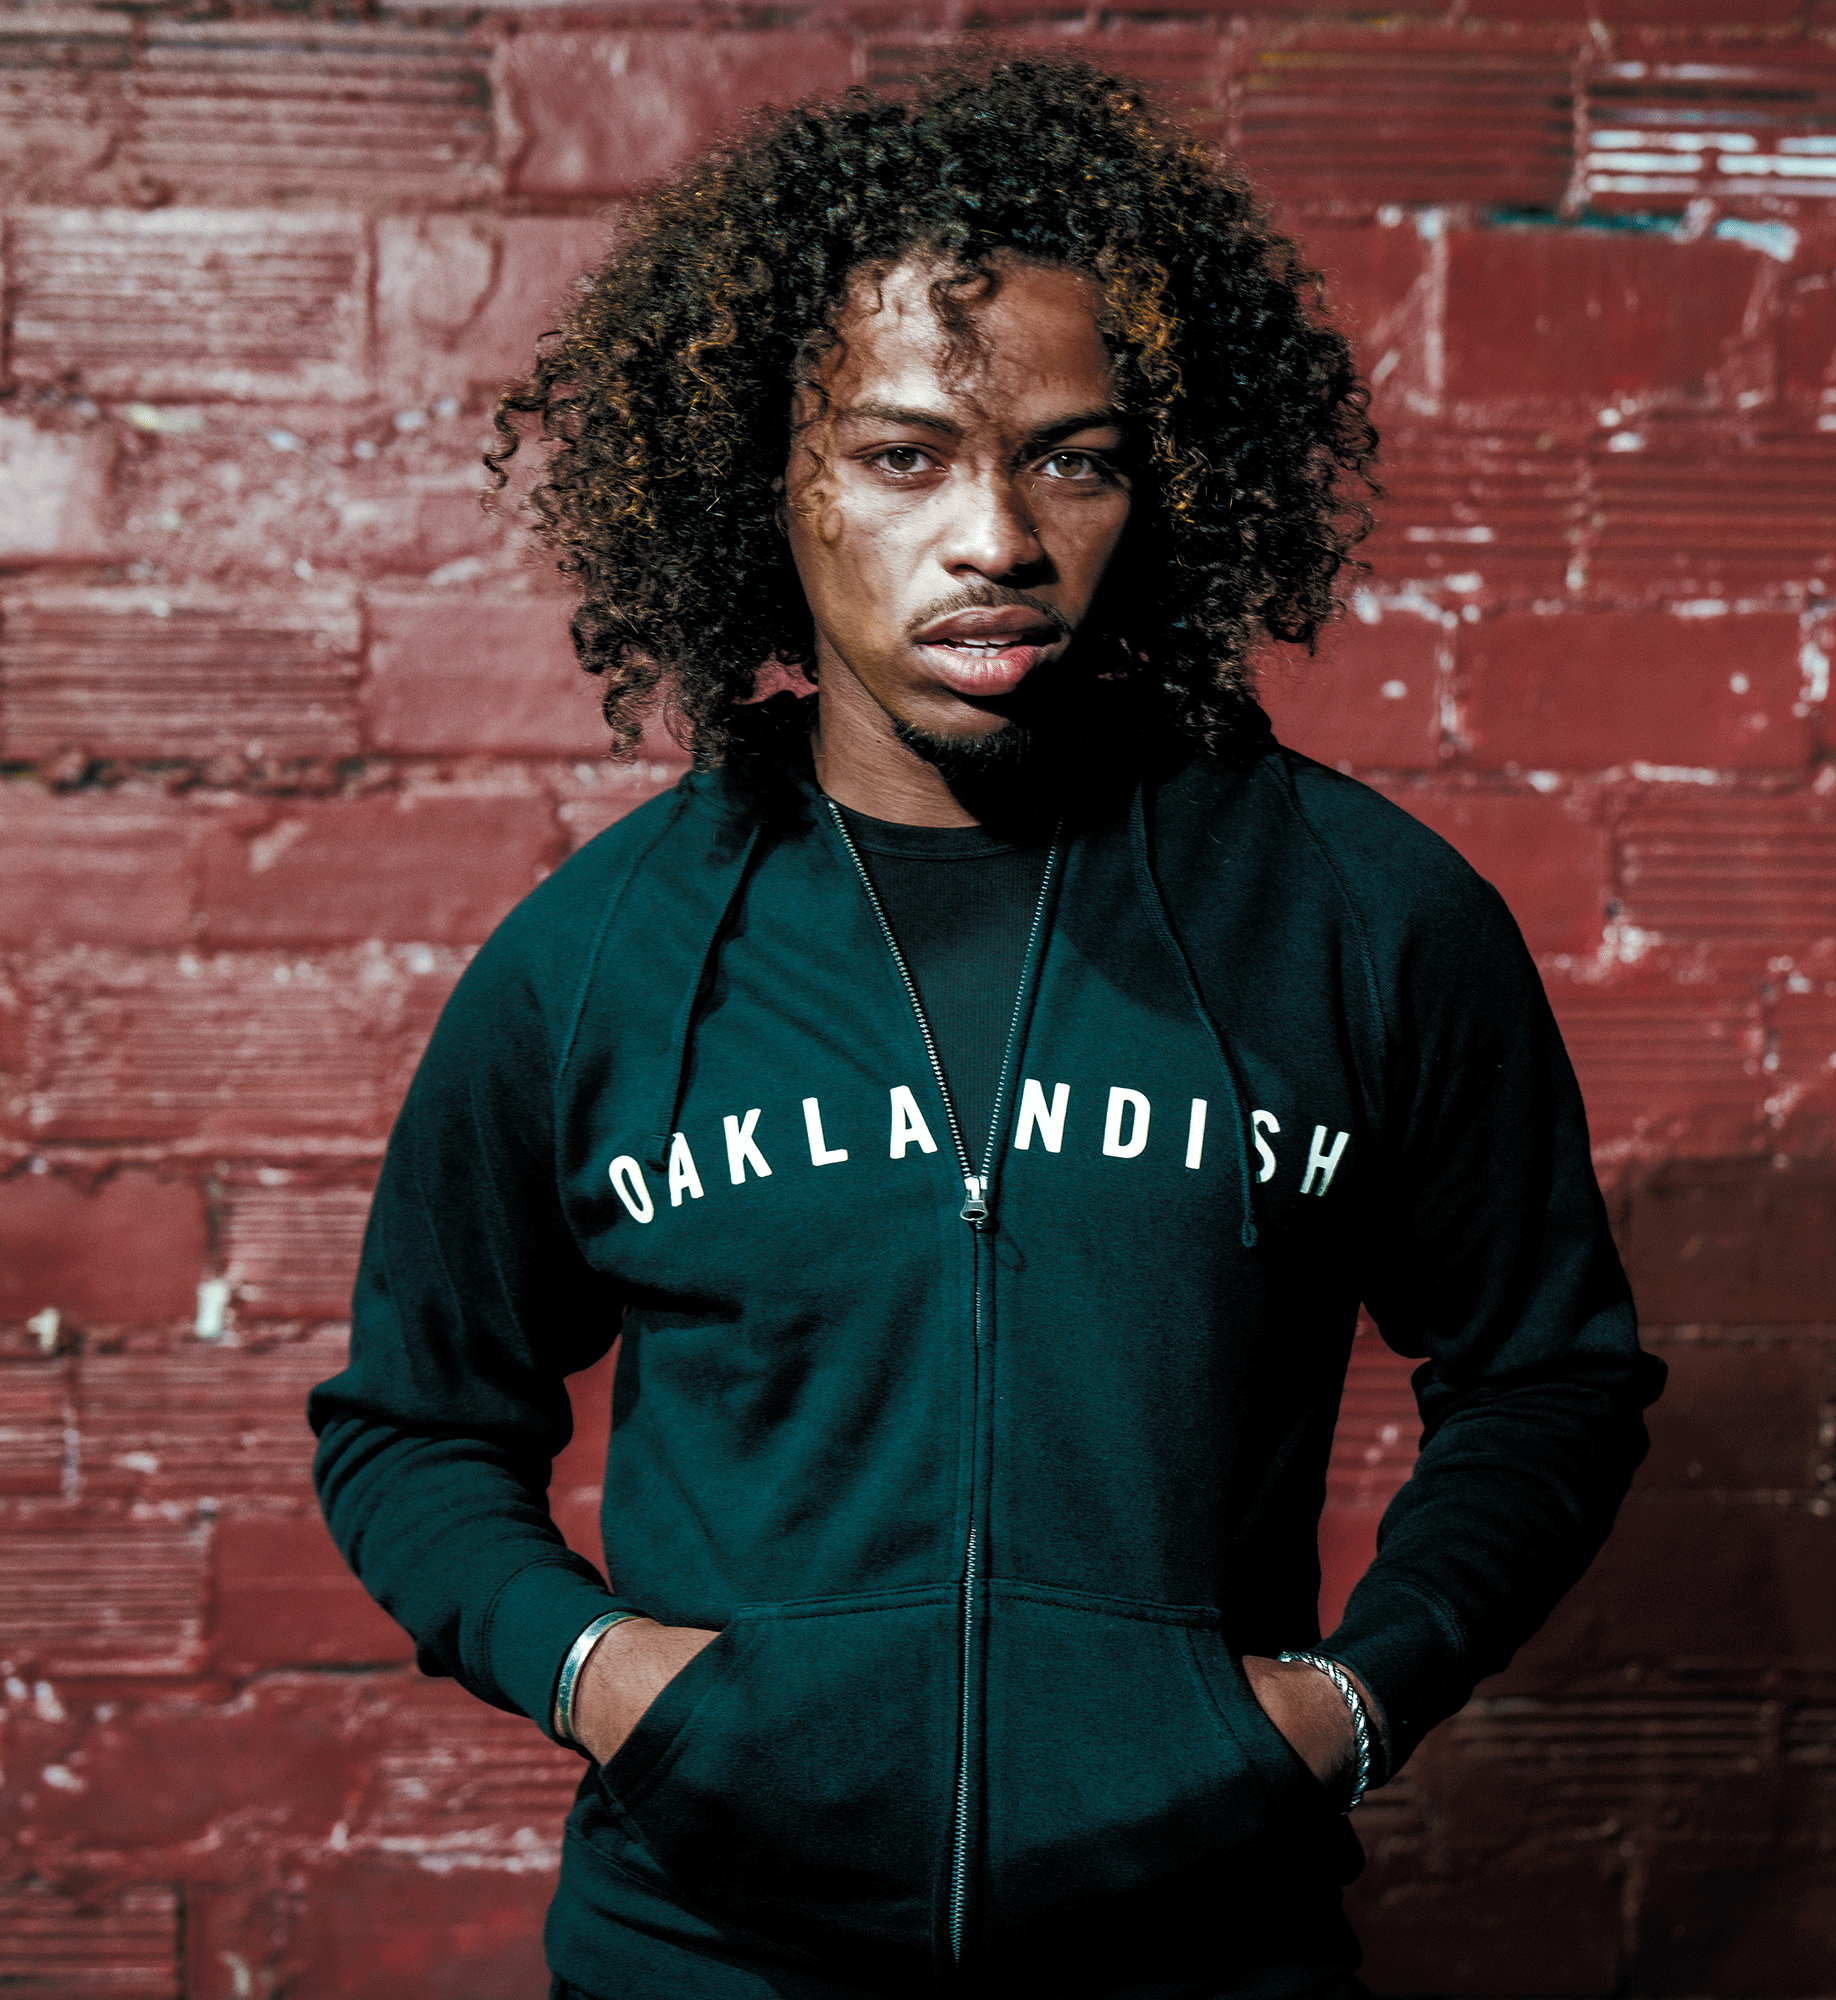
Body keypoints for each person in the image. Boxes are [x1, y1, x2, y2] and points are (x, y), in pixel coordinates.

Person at [309, 52, 1664, 2000]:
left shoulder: (1362, 922)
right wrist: (612, 1679)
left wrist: (1359, 1702)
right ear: (764, 478)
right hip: (704, 1956)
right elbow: (413, 1424)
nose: (997, 537)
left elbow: (1547, 1375)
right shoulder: (600, 961)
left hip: (1203, 1957)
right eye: (902, 453)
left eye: (1073, 455)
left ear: (1162, 484)